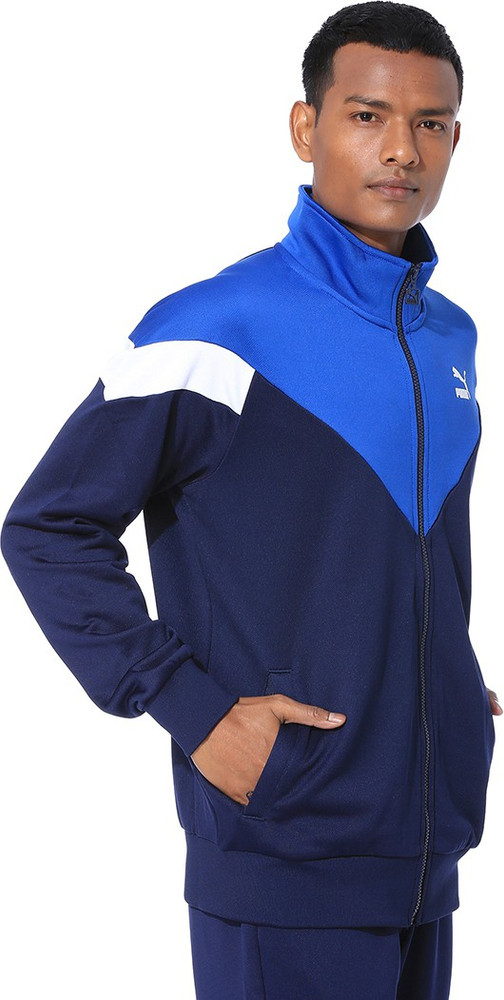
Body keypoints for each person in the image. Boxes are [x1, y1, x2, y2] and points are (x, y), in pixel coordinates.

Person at [2, 2, 501, 997]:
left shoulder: (449, 336)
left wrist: (439, 672)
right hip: (282, 847)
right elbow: (49, 526)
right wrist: (193, 709)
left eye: (432, 123)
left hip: (424, 858)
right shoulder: (216, 327)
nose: (402, 150)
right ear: (307, 128)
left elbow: (391, 553)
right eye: (367, 116)